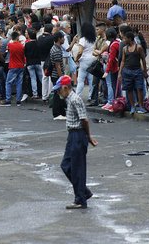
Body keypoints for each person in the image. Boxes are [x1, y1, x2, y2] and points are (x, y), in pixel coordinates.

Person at [55, 75, 98, 210]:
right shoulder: (69, 99)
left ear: (66, 88)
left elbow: (84, 120)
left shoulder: (75, 99)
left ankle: (80, 199)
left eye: (59, 90)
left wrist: (88, 136)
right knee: (66, 165)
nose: (58, 93)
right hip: (72, 134)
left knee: (77, 168)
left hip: (78, 135)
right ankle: (83, 192)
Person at [118, 31, 148, 114]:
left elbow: (143, 60)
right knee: (129, 89)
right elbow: (123, 61)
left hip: (137, 70)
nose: (124, 40)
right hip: (127, 71)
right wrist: (120, 73)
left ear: (130, 39)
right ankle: (132, 106)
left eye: (125, 38)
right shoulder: (124, 49)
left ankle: (141, 106)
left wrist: (144, 71)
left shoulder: (138, 48)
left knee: (139, 88)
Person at [74, 22, 96, 101]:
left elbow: (80, 52)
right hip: (93, 59)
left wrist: (76, 59)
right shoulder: (94, 39)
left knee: (81, 80)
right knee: (91, 80)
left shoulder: (82, 40)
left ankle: (77, 96)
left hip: (84, 61)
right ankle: (91, 96)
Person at [4, 31, 25, 106]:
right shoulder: (21, 46)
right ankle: (18, 100)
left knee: (8, 82)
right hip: (21, 65)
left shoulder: (10, 45)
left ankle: (8, 100)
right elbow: (23, 56)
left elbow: (7, 50)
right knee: (19, 83)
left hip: (13, 65)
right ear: (17, 37)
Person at [50, 31, 66, 120]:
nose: (64, 39)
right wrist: (61, 78)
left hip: (56, 75)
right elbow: (58, 66)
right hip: (57, 75)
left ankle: (61, 112)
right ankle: (57, 113)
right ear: (59, 39)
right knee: (57, 95)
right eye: (63, 37)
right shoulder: (56, 50)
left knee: (60, 95)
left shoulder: (57, 48)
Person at [24, 28, 43, 99]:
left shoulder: (27, 44)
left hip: (30, 62)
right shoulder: (38, 43)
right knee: (41, 77)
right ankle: (44, 92)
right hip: (38, 62)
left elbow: (25, 54)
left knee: (33, 78)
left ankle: (35, 93)